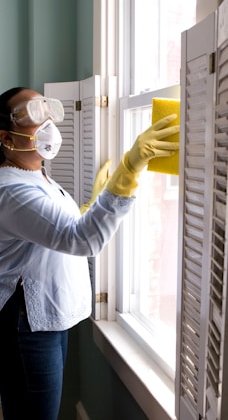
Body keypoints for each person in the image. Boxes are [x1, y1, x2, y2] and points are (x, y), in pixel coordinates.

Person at [0, 86, 179, 420]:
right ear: (6, 138)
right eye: (33, 112)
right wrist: (129, 170)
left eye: (48, 108)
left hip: (44, 321)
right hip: (26, 326)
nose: (48, 119)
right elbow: (81, 239)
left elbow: (54, 228)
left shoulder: (37, 176)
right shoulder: (10, 190)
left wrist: (89, 206)